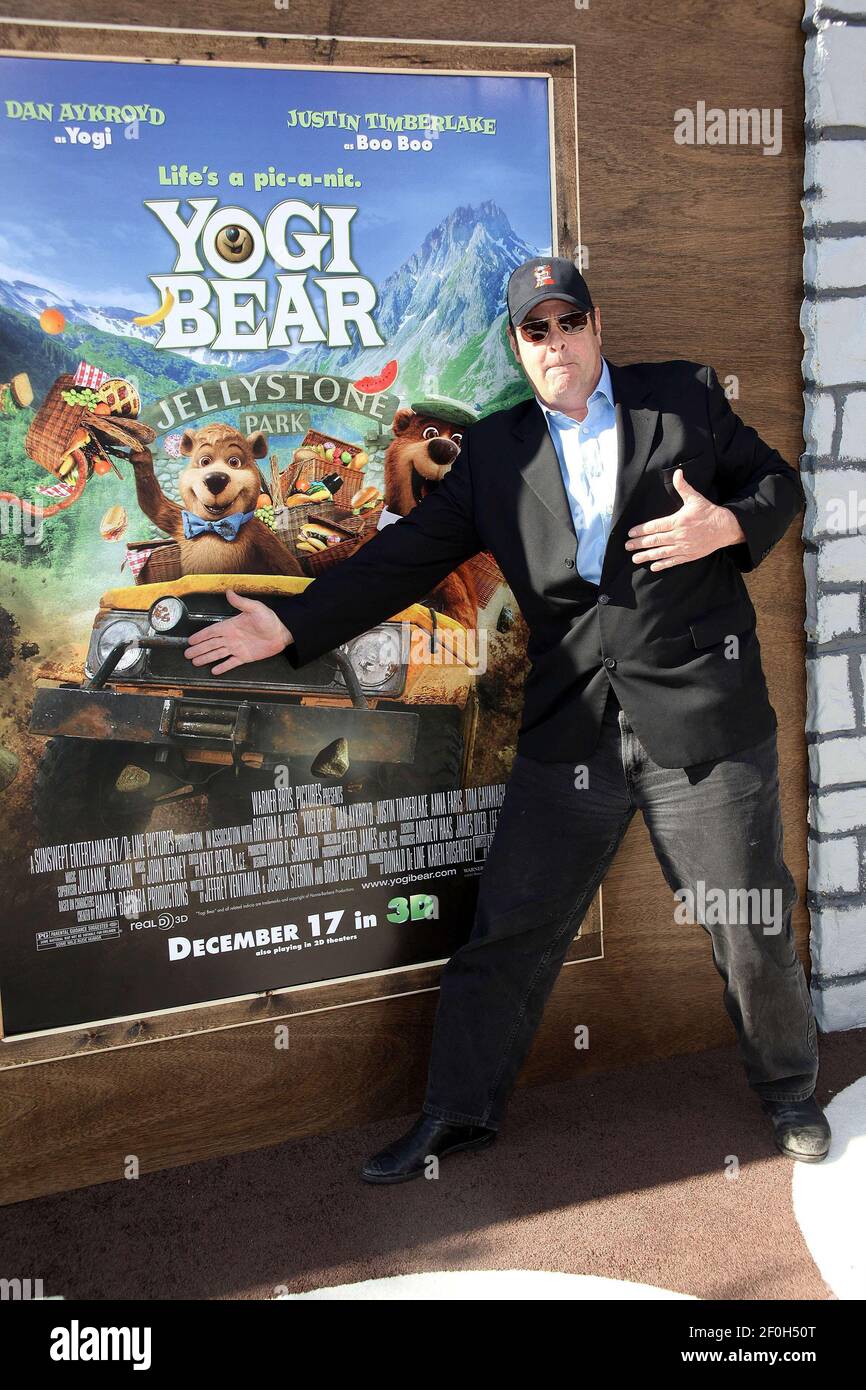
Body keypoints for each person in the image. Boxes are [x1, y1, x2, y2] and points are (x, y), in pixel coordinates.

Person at [184, 256, 830, 1181]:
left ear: (597, 327)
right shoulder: (494, 452)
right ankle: (457, 1114)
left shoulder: (683, 397)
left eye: (570, 323)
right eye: (538, 330)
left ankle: (789, 1088)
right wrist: (288, 622)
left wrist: (724, 527)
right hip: (572, 732)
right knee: (509, 931)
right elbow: (404, 559)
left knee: (747, 919)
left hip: (703, 721)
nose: (557, 342)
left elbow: (780, 486)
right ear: (519, 347)